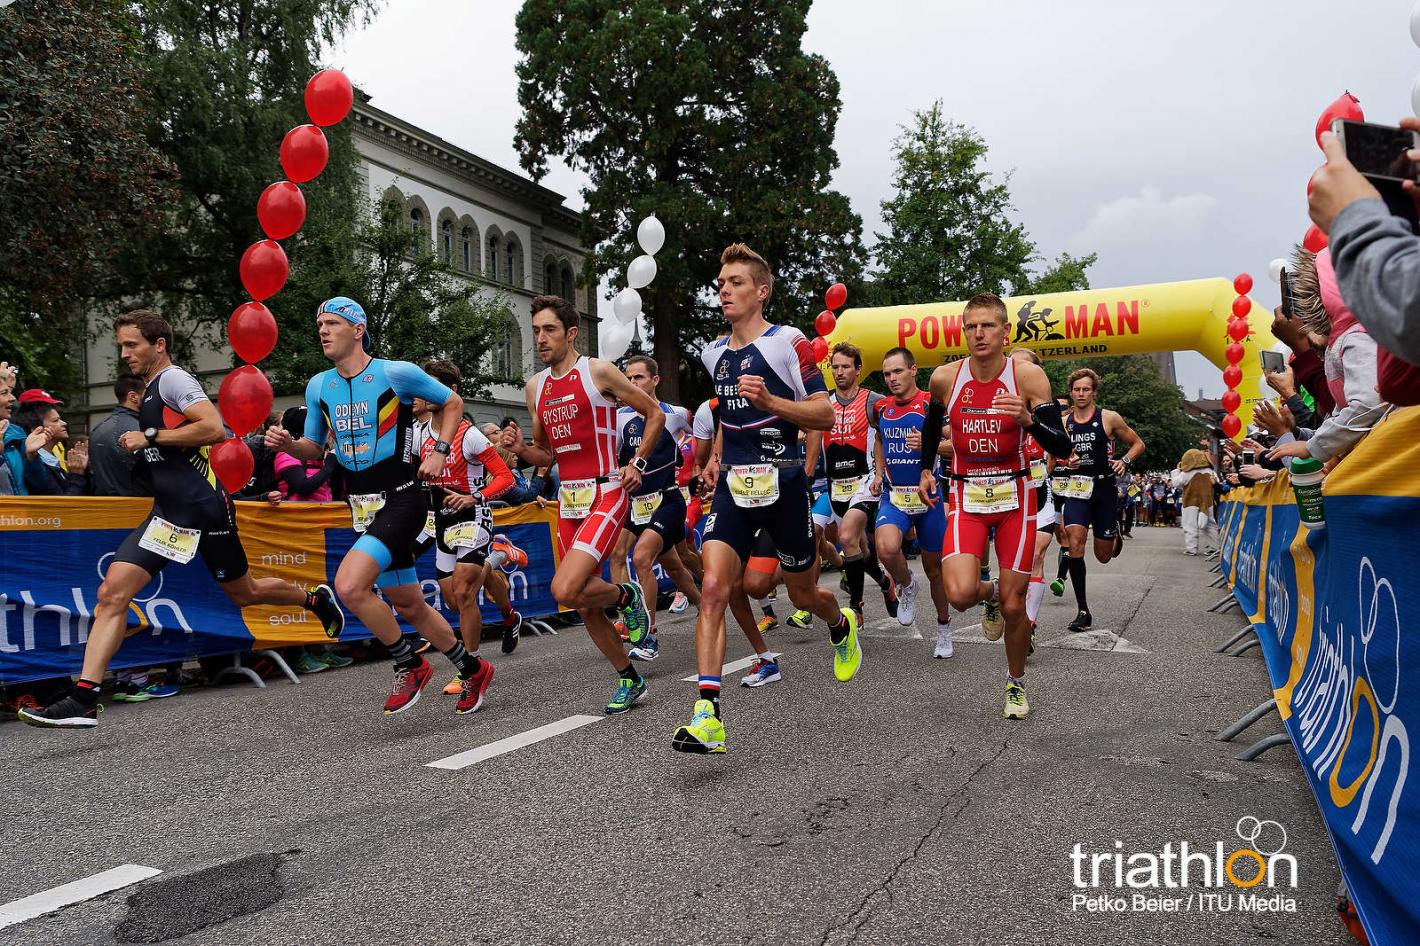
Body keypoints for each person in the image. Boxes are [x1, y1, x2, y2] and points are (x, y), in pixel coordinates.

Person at [20, 310, 343, 729]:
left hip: (205, 508)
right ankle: (84, 697)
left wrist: (150, 437)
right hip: (169, 514)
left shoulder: (174, 380)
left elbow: (213, 428)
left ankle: (314, 600)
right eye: (121, 345)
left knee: (245, 593)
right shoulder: (152, 388)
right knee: (112, 594)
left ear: (158, 345)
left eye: (131, 345)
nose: (124, 354)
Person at [264, 296, 489, 717]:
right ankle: (472, 668)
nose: (323, 331)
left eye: (332, 323)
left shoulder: (394, 373)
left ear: (358, 329)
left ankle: (410, 662)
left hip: (402, 497)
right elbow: (314, 446)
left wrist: (439, 449)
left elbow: (453, 403)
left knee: (350, 587)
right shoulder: (319, 386)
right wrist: (289, 444)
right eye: (320, 325)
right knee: (408, 603)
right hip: (361, 504)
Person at [678, 243, 855, 755]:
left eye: (735, 282)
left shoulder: (789, 343)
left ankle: (839, 624)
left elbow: (825, 415)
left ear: (761, 291)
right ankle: (707, 714)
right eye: (720, 283)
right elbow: (724, 422)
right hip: (734, 487)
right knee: (714, 587)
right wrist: (711, 462)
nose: (724, 290)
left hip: (784, 485)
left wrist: (771, 401)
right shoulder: (713, 353)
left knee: (803, 596)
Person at [501, 294, 665, 715]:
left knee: (564, 588)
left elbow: (654, 415)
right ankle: (630, 678)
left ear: (571, 333)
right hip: (568, 498)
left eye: (549, 329)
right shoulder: (535, 388)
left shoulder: (598, 371)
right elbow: (546, 455)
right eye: (536, 330)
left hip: (607, 490)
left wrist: (638, 463)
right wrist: (521, 449)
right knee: (582, 601)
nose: (540, 338)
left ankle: (627, 596)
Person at [918, 293, 1072, 719]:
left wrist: (1028, 422)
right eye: (972, 326)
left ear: (1006, 331)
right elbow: (932, 426)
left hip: (1016, 498)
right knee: (960, 593)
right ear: (963, 331)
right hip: (965, 495)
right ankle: (989, 594)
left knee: (1014, 605)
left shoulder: (1028, 377)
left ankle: (1016, 683)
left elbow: (1062, 443)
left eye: (988, 325)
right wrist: (926, 471)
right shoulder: (946, 378)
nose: (979, 333)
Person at [408, 358, 524, 702]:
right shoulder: (421, 434)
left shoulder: (469, 435)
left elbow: (505, 477)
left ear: (450, 392)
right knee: (451, 599)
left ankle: (470, 669)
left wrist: (474, 498)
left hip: (473, 519)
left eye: (428, 386)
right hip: (442, 521)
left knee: (463, 594)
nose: (421, 392)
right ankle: (501, 576)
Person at [615, 354, 701, 660]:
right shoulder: (619, 418)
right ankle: (705, 606)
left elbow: (703, 433)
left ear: (655, 380)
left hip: (667, 500)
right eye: (628, 378)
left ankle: (648, 636)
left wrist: (706, 465)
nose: (632, 383)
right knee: (675, 565)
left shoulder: (675, 414)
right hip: (636, 504)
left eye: (638, 377)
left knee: (642, 558)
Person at [871, 347, 953, 657]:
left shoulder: (931, 406)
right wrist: (878, 473)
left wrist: (932, 443)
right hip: (896, 495)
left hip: (929, 496)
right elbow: (879, 439)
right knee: (887, 547)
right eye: (887, 373)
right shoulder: (881, 408)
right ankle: (906, 585)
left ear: (913, 370)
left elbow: (956, 443)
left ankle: (944, 628)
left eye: (897, 371)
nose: (892, 378)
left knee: (935, 570)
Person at [806, 343, 895, 624]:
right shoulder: (823, 404)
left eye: (846, 367)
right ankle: (884, 583)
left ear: (858, 370)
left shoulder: (873, 401)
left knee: (845, 538)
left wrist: (880, 475)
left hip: (864, 482)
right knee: (860, 549)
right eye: (835, 367)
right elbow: (811, 435)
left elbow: (882, 437)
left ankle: (856, 607)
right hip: (835, 484)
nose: (840, 372)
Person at [1057, 367, 1144, 633]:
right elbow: (1057, 453)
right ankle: (1083, 610)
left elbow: (1137, 443)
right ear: (1071, 392)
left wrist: (1125, 461)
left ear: (1094, 392)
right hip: (1077, 489)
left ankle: (1113, 531)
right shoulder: (1064, 422)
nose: (1080, 394)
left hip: (1104, 489)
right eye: (1076, 389)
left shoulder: (1109, 418)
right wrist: (1066, 461)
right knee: (1075, 543)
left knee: (1103, 556)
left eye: (1085, 389)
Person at [88, 375, 146, 497]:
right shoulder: (141, 431)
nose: (152, 399)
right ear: (133, 397)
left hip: (106, 507)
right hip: (139, 507)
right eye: (148, 394)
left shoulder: (97, 430)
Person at [1171, 449, 1217, 556]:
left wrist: (1177, 470)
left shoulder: (1187, 473)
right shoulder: (1211, 472)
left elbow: (1176, 483)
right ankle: (1215, 547)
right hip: (1208, 501)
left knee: (1189, 525)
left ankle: (1191, 548)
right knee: (1210, 524)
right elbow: (1217, 482)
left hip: (1190, 502)